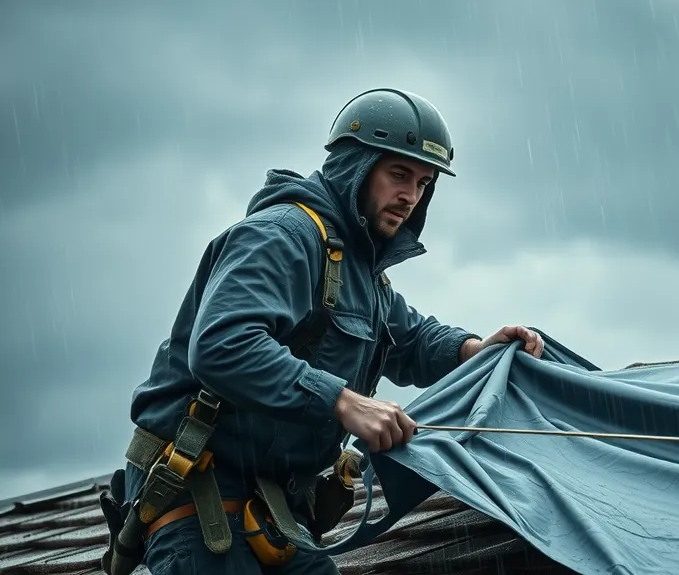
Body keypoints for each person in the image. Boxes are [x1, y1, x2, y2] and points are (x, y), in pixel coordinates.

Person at [100, 88, 545, 575]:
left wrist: (475, 349)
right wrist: (344, 401)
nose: (410, 196)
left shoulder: (360, 272)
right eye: (398, 174)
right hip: (200, 507)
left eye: (423, 182)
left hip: (275, 515)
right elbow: (222, 345)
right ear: (357, 166)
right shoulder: (282, 235)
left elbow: (411, 338)